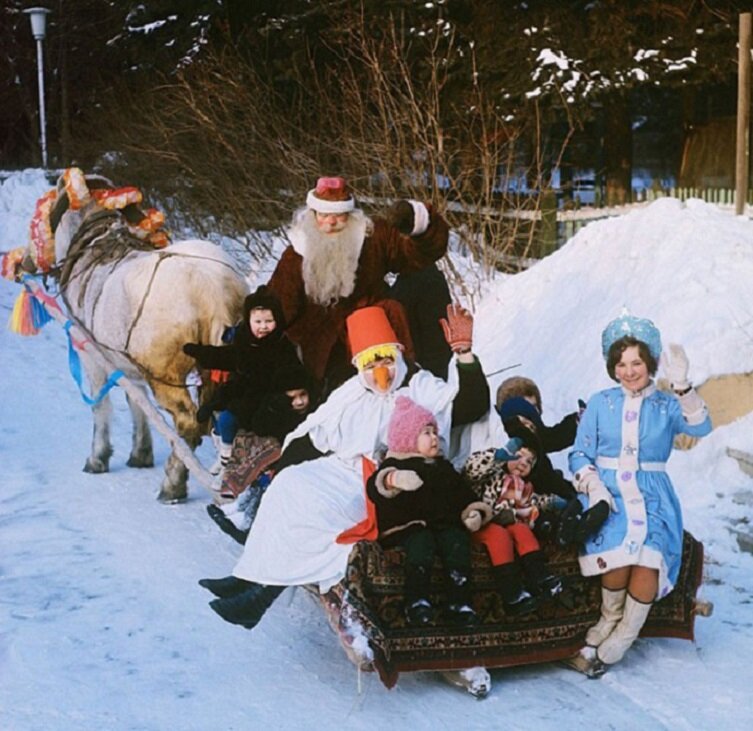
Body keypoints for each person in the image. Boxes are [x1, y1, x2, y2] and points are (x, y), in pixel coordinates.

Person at [198, 303, 490, 630]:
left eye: (386, 360)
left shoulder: (419, 386)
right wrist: (284, 466)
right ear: (360, 366)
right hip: (342, 467)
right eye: (371, 362)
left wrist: (464, 354)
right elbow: (316, 433)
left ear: (397, 356)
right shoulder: (353, 391)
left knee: (316, 509)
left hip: (386, 479)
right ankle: (247, 577)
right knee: (287, 486)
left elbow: (470, 406)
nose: (381, 370)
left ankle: (262, 595)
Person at [565, 312, 712, 678]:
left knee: (648, 556)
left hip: (654, 496)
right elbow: (579, 453)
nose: (630, 371)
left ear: (650, 365)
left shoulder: (665, 405)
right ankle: (609, 617)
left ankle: (626, 633)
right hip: (610, 494)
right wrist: (594, 487)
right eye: (622, 364)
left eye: (637, 363)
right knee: (618, 554)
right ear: (613, 368)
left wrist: (683, 388)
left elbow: (702, 426)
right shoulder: (601, 403)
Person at [266, 176, 450, 393]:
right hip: (322, 345)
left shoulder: (372, 237)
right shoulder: (296, 255)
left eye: (338, 216)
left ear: (350, 215)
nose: (331, 223)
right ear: (313, 216)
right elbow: (276, 306)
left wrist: (416, 222)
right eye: (324, 215)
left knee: (425, 278)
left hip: (374, 333)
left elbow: (420, 254)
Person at [366, 396, 492, 626]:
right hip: (407, 526)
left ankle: (459, 602)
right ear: (407, 437)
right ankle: (417, 601)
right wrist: (393, 479)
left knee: (457, 540)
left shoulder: (443, 467)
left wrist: (474, 513)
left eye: (435, 432)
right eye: (426, 433)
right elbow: (375, 487)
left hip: (443, 525)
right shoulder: (397, 463)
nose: (434, 438)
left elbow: (463, 495)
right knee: (420, 543)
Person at [182, 286, 303, 489]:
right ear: (248, 321)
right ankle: (223, 454)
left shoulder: (282, 346)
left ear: (277, 321)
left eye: (269, 322)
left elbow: (291, 373)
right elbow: (226, 356)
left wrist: (286, 392)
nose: (263, 327)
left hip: (266, 396)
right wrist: (199, 352)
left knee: (229, 419)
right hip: (242, 389)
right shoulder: (245, 341)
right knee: (216, 413)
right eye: (258, 322)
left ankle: (229, 466)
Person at [205, 362, 319, 543]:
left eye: (302, 395)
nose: (299, 401)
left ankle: (249, 520)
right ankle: (240, 506)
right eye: (292, 397)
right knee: (254, 449)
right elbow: (262, 426)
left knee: (273, 477)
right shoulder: (279, 409)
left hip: (305, 461)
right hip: (286, 455)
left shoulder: (317, 411)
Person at [463, 434, 564, 615]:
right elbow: (472, 468)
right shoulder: (492, 475)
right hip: (483, 520)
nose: (523, 463)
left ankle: (539, 576)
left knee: (521, 529)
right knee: (498, 535)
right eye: (518, 456)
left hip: (510, 521)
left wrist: (551, 501)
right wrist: (497, 456)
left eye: (529, 461)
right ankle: (512, 594)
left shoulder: (525, 486)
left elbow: (533, 501)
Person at [496, 394, 609, 546]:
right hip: (534, 488)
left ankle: (572, 520)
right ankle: (566, 526)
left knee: (567, 493)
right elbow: (555, 437)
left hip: (540, 485)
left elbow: (554, 436)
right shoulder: (523, 436)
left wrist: (576, 421)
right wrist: (576, 422)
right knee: (560, 499)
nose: (530, 427)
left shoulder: (531, 436)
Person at [385, 263, 453, 379]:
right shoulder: (404, 282)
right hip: (417, 366)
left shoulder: (424, 280)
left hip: (427, 369)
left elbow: (436, 337)